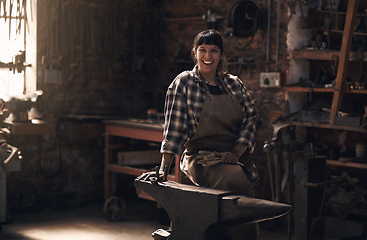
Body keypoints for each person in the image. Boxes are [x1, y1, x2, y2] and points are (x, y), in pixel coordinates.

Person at [155, 29, 258, 240]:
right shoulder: (184, 83)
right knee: (233, 178)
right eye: (202, 50)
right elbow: (174, 129)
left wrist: (236, 153)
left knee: (237, 176)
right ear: (195, 52)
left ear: (221, 55)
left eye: (214, 50)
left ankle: (244, 236)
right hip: (200, 158)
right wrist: (163, 168)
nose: (208, 56)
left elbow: (251, 118)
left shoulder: (234, 84)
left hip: (232, 157)